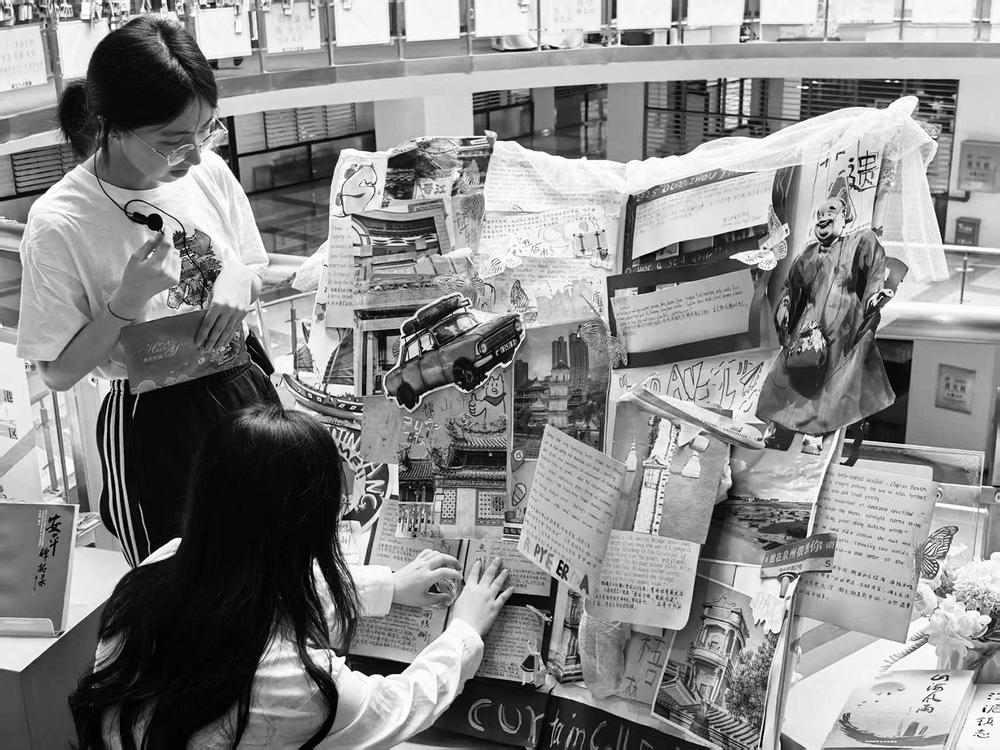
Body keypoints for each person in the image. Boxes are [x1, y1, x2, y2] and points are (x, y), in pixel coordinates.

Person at [69, 403, 514, 749]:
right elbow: (401, 704)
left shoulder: (153, 574)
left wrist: (387, 587)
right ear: (306, 533)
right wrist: (464, 630)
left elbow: (252, 584)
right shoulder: (294, 683)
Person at [16, 16, 278, 566]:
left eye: (205, 131)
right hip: (152, 419)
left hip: (242, 384)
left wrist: (241, 279)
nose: (196, 155)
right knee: (179, 580)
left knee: (276, 552)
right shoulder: (59, 221)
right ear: (112, 127)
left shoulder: (206, 173)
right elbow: (57, 373)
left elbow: (254, 264)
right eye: (173, 142)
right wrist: (125, 303)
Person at [755, 196, 897, 436]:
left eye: (831, 211)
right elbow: (792, 286)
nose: (824, 217)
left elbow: (875, 272)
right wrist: (785, 305)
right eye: (820, 214)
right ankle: (780, 429)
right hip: (808, 325)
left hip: (843, 323)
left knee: (832, 380)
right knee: (793, 376)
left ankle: (817, 433)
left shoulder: (860, 241)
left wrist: (873, 298)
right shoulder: (808, 253)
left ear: (845, 216)